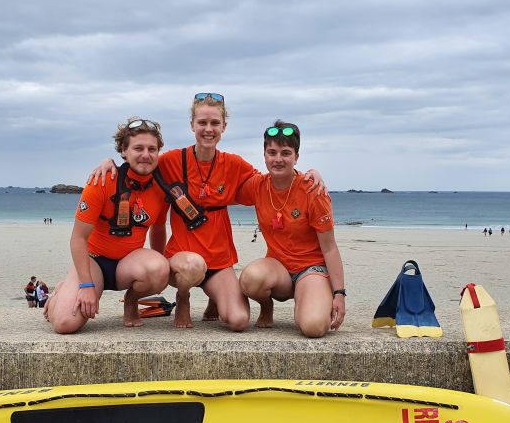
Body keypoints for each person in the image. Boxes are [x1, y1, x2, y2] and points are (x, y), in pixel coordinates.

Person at [89, 93, 326, 330]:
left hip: (219, 261)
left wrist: (308, 174)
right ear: (192, 124)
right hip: (183, 261)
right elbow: (139, 162)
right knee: (194, 264)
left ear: (224, 126)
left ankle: (215, 298)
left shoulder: (233, 164)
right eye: (202, 122)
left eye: (215, 123)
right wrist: (110, 163)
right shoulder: (171, 160)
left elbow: (272, 179)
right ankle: (183, 298)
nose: (208, 129)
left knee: (239, 320)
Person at [44, 117, 171, 333]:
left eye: (152, 149)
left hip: (129, 264)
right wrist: (85, 285)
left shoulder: (160, 187)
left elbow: (158, 229)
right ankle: (60, 292)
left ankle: (130, 302)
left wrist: (161, 274)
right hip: (94, 263)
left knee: (159, 268)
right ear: (124, 151)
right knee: (65, 324)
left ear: (159, 152)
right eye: (138, 148)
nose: (146, 155)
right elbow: (78, 238)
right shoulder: (102, 180)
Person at [235, 121, 345, 337]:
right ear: (264, 155)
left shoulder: (312, 189)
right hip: (279, 270)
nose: (278, 159)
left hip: (311, 269)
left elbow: (330, 248)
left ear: (296, 157)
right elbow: (222, 190)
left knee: (313, 328)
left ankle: (307, 300)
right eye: (272, 152)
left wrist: (339, 293)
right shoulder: (257, 185)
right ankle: (267, 306)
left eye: (286, 153)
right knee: (250, 279)